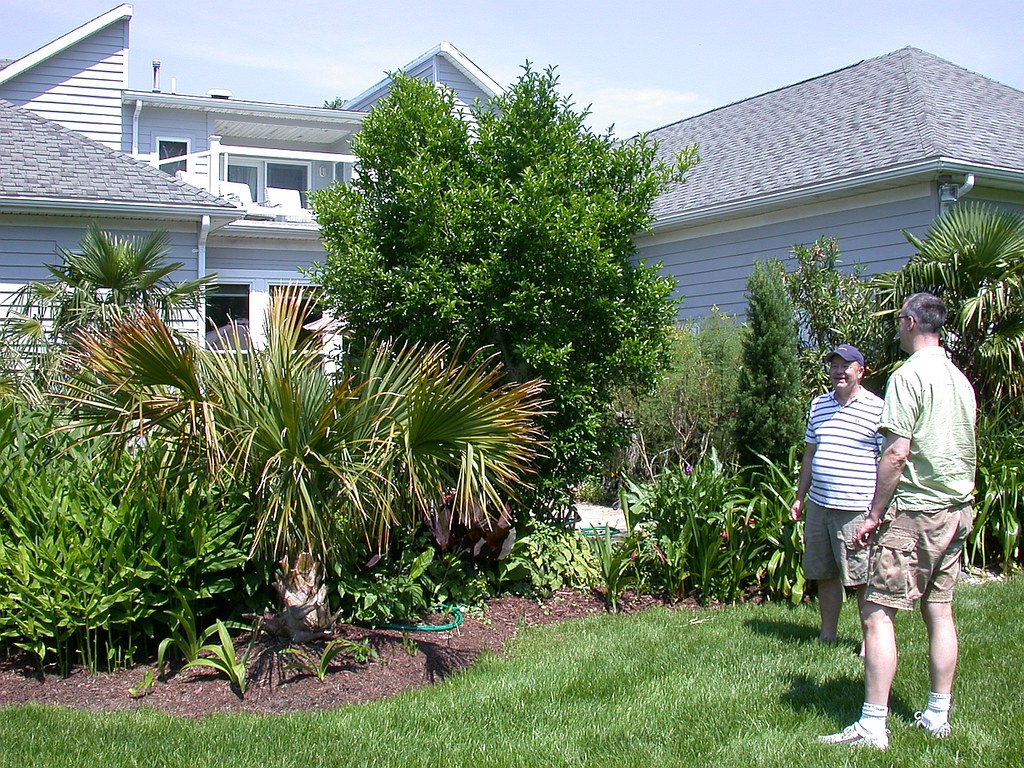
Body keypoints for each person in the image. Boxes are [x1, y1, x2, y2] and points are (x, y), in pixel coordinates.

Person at [820, 292, 977, 751]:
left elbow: (895, 453)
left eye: (898, 321)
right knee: (939, 609)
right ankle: (937, 715)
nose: (896, 328)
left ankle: (872, 726)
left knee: (876, 612)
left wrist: (874, 514)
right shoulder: (959, 379)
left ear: (909, 322)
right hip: (956, 510)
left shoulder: (909, 376)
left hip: (915, 512)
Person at [790, 344, 883, 643]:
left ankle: (871, 643)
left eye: (846, 366)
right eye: (834, 365)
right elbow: (809, 454)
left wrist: (878, 509)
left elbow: (887, 460)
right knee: (825, 573)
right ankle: (827, 635)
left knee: (862, 577)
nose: (839, 371)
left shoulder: (877, 408)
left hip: (856, 509)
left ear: (860, 371)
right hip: (819, 506)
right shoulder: (819, 405)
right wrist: (800, 496)